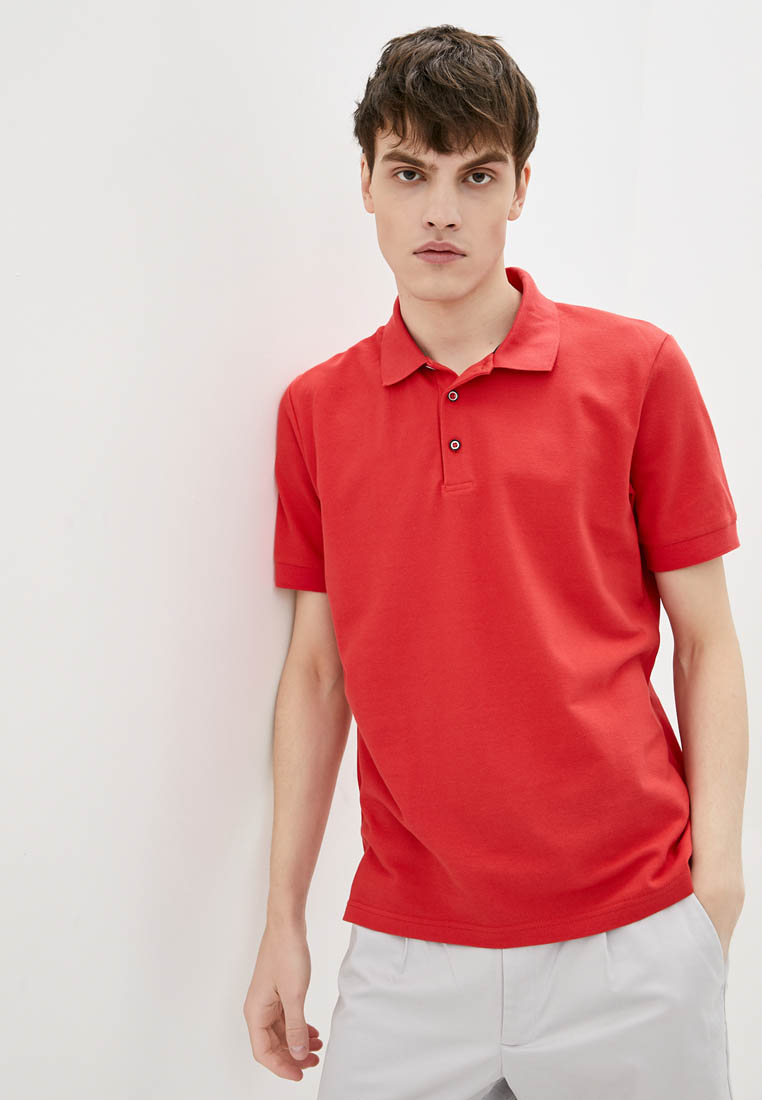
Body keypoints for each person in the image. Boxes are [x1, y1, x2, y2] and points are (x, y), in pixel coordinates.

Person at [244, 23, 748, 1100]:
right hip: (407, 951)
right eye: (409, 172)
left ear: (520, 186)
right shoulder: (315, 412)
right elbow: (317, 673)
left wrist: (718, 885)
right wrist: (281, 918)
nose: (441, 209)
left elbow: (707, 642)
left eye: (475, 174)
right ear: (366, 185)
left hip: (632, 940)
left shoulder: (639, 371)